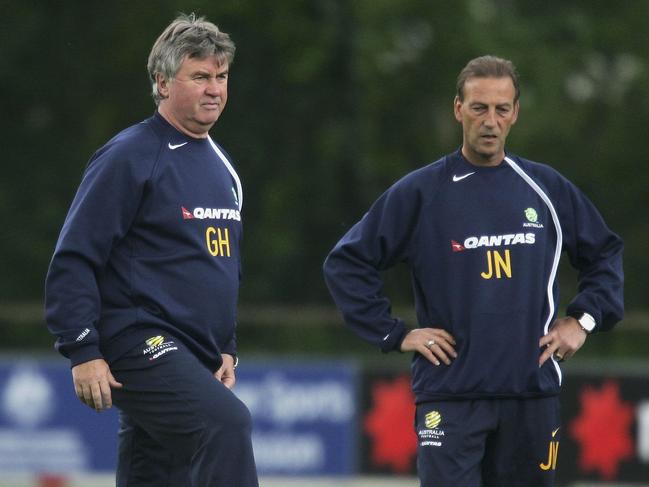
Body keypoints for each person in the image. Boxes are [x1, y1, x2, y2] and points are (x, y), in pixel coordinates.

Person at [323, 55, 623, 487]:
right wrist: (395, 333)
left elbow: (605, 253)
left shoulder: (546, 189)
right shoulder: (420, 193)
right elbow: (347, 262)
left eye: (502, 109)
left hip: (531, 395)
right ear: (458, 109)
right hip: (449, 397)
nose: (490, 120)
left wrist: (583, 319)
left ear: (515, 113)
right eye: (479, 107)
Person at [44, 13, 258, 487]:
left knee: (157, 474)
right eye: (200, 76)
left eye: (221, 77)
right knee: (228, 425)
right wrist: (82, 349)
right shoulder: (130, 155)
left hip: (197, 350)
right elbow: (76, 256)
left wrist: (226, 346)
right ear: (162, 82)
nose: (215, 89)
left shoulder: (225, 170)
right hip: (141, 341)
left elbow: (223, 267)